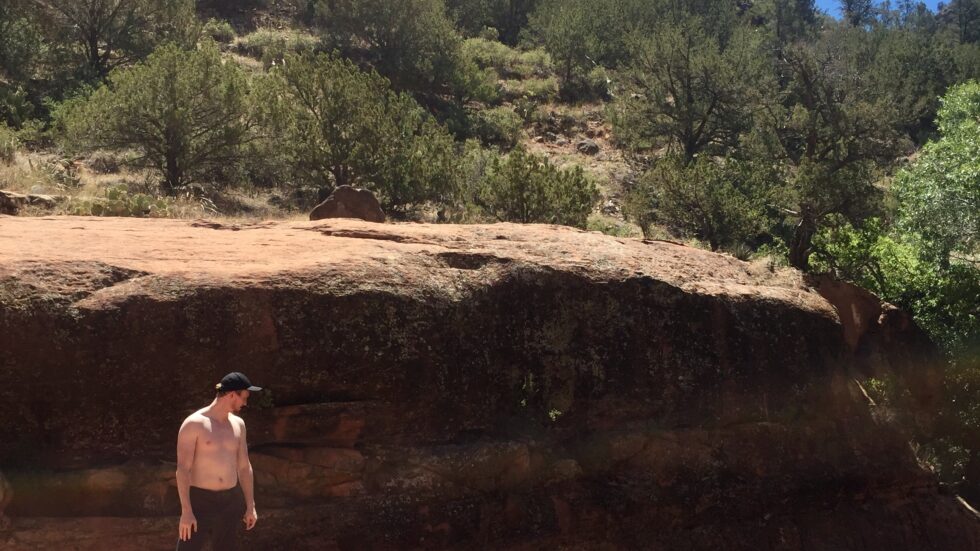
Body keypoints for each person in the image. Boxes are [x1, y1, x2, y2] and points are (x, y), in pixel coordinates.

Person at [176, 372, 262, 550]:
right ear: (232, 394)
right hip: (200, 500)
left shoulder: (239, 424)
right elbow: (183, 469)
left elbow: (244, 467)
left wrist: (250, 505)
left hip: (230, 499)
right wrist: (186, 511)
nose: (245, 403)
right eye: (244, 397)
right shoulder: (194, 424)